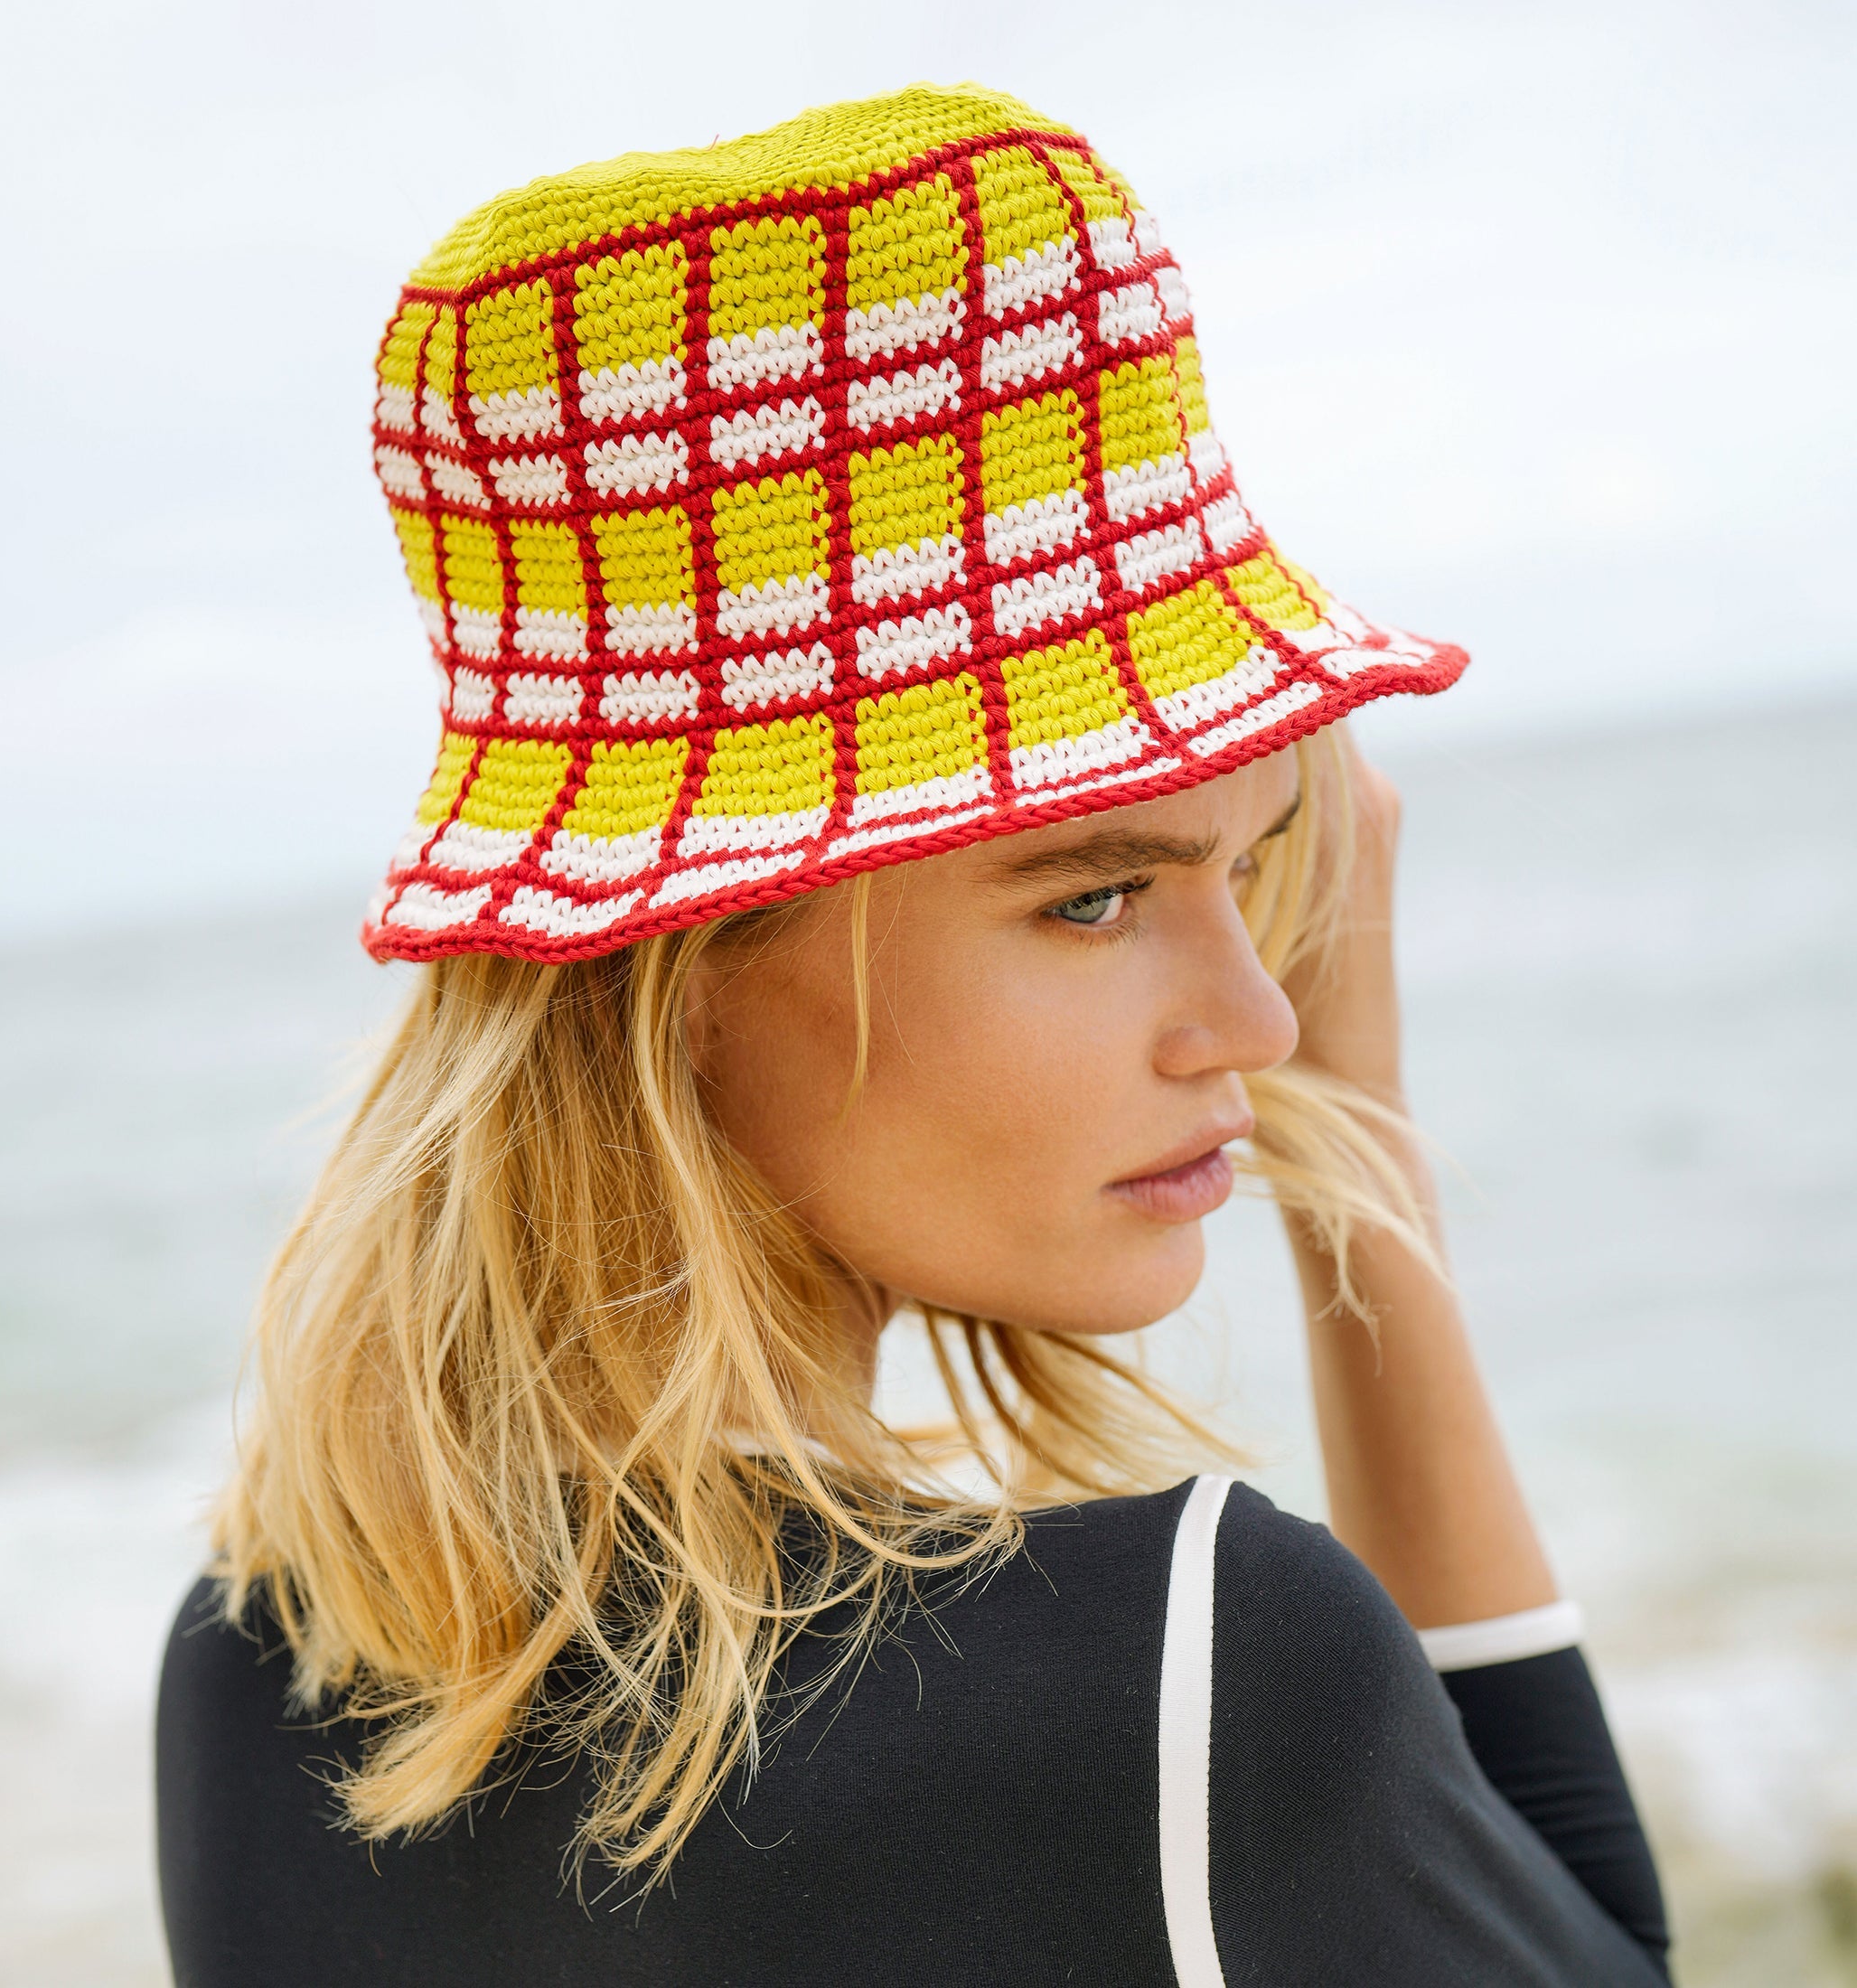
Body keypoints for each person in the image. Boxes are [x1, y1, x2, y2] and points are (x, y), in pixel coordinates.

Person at [155, 83, 1672, 1985]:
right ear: (676, 970)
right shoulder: (1187, 1675)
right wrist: (1363, 1155)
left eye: (1254, 864)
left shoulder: (264, 1659)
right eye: (1092, 897)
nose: (1262, 1016)